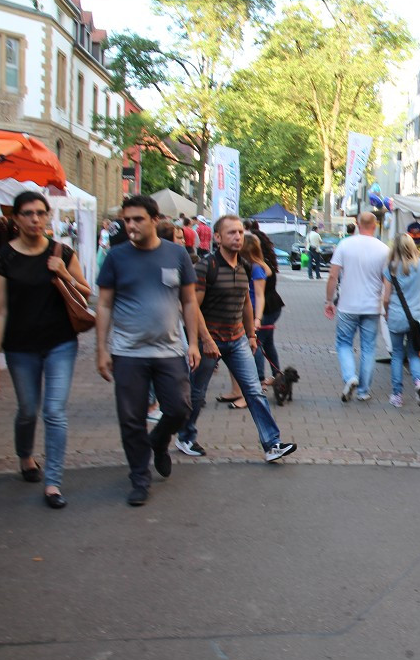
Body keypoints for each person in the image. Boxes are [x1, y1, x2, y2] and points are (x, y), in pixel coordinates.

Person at [0, 191, 91, 509]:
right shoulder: (3, 258)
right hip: (20, 347)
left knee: (55, 412)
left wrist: (61, 271)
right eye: (28, 213)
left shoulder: (62, 251)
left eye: (41, 213)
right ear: (16, 218)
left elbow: (86, 292)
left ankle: (53, 483)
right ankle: (26, 457)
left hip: (60, 343)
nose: (35, 219)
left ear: (47, 216)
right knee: (28, 410)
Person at [96, 195, 200, 507]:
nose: (130, 225)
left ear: (155, 220)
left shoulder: (177, 254)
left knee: (180, 409)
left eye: (137, 219)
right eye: (126, 220)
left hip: (169, 349)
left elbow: (189, 301)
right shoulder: (116, 257)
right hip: (128, 352)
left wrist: (193, 342)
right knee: (131, 419)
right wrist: (102, 349)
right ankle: (139, 477)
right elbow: (103, 304)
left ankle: (158, 440)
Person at [175, 215, 296, 462]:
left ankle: (272, 444)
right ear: (217, 237)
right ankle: (186, 436)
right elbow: (191, 307)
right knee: (197, 393)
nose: (237, 237)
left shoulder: (244, 267)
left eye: (240, 232)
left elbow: (246, 305)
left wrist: (251, 334)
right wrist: (202, 342)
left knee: (254, 390)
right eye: (231, 233)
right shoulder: (205, 267)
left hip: (238, 339)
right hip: (211, 340)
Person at [325, 212, 389, 402]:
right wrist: (386, 305)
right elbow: (388, 282)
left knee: (344, 343)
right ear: (375, 226)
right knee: (368, 348)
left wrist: (329, 301)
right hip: (372, 306)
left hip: (347, 306)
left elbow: (332, 276)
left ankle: (350, 376)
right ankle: (363, 391)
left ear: (357, 224)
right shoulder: (384, 249)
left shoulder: (345, 245)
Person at [219, 233, 283, 407]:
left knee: (254, 347)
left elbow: (259, 296)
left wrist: (257, 319)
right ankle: (274, 378)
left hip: (259, 312)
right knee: (265, 345)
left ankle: (257, 385)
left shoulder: (256, 267)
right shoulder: (253, 265)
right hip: (257, 312)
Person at [381, 233, 420, 409]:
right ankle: (419, 384)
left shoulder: (390, 268)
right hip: (416, 318)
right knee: (414, 353)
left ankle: (397, 395)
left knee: (397, 355)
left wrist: (386, 313)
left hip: (396, 316)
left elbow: (386, 298)